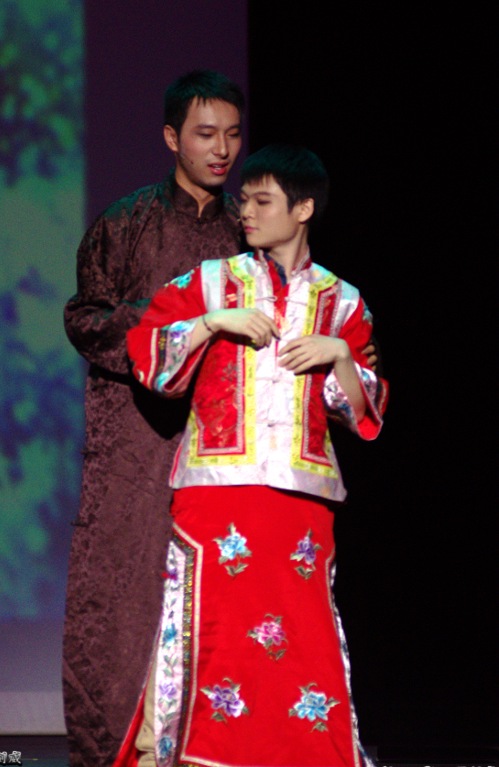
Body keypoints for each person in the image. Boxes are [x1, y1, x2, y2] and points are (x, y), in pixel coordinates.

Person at [127, 144, 388, 767]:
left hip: (302, 498)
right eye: (243, 198)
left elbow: (365, 410)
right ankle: (192, 753)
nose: (245, 210)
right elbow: (147, 355)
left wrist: (339, 355)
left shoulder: (343, 301)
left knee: (302, 642)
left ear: (302, 209)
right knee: (213, 636)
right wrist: (215, 323)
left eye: (261, 200)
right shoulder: (211, 282)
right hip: (217, 494)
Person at [62, 70, 247, 767]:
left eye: (232, 134)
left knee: (219, 592)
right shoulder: (127, 222)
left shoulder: (245, 228)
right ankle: (111, 748)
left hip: (220, 439)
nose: (221, 148)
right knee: (120, 595)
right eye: (206, 133)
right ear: (173, 137)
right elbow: (84, 316)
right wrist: (157, 335)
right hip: (134, 440)